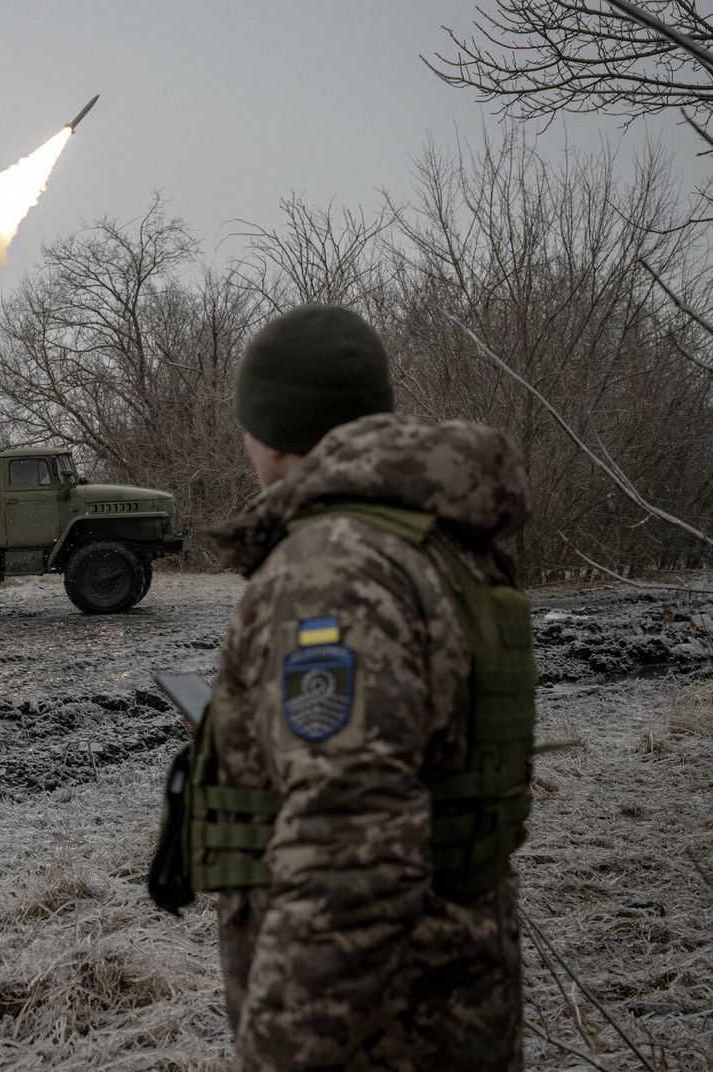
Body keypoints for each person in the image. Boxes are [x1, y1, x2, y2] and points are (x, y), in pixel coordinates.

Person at [189, 304, 534, 1069]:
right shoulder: (434, 540)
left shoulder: (334, 570)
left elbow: (353, 847)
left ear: (272, 434)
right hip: (453, 997)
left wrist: (280, 1052)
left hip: (379, 1028)